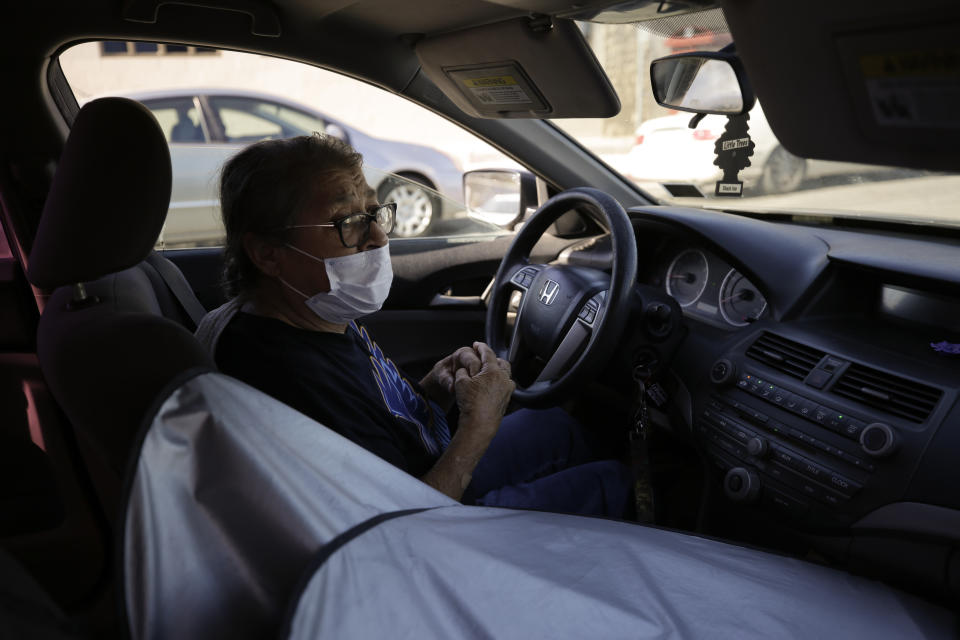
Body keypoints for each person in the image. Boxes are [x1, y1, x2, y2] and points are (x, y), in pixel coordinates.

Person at [195, 133, 632, 517]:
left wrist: (434, 389)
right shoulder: (287, 378)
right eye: (348, 222)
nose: (379, 238)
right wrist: (478, 423)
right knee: (615, 485)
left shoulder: (316, 313)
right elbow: (403, 521)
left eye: (374, 212)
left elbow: (375, 420)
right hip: (425, 525)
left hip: (418, 474)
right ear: (268, 254)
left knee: (554, 425)